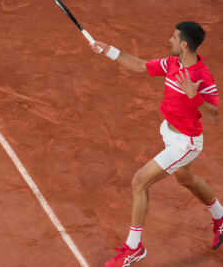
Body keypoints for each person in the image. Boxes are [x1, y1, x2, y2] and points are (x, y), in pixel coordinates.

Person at [90, 21, 223, 267]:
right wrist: (109, 49)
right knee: (187, 179)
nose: (170, 41)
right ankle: (221, 217)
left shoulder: (202, 77)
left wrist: (194, 96)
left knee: (139, 181)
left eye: (174, 38)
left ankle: (133, 248)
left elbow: (214, 115)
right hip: (170, 134)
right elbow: (140, 65)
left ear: (184, 44)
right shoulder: (173, 63)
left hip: (185, 143)